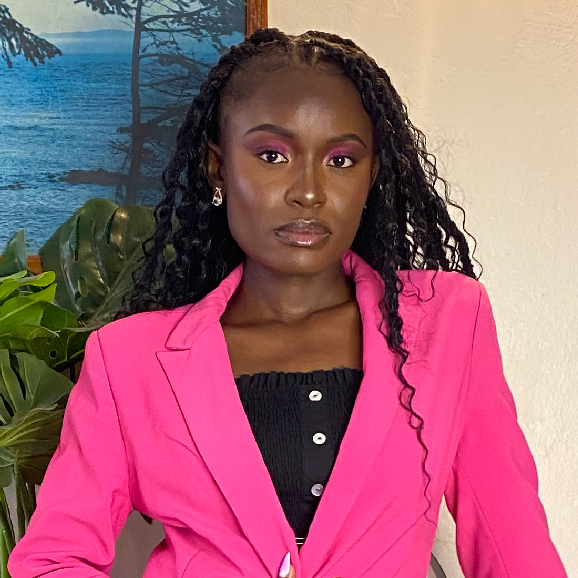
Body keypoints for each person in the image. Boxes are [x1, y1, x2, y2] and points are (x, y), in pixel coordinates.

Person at [8, 27, 567, 578]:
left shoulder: (447, 322)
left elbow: (513, 546)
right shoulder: (129, 358)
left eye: (341, 160)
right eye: (272, 155)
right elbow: (51, 561)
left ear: (372, 174)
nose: (309, 191)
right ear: (218, 167)